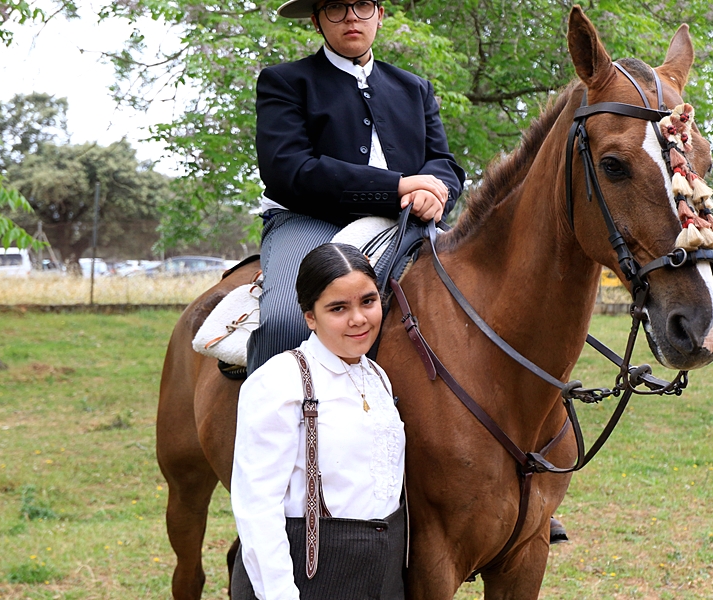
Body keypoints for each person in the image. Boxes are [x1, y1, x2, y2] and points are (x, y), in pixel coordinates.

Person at [245, 0, 465, 376]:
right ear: (316, 21)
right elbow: (289, 170)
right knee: (286, 320)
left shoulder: (415, 88)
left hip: (407, 224)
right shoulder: (284, 82)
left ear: (379, 15)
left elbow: (443, 162)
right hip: (308, 221)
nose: (350, 16)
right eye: (335, 7)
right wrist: (398, 186)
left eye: (362, 5)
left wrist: (435, 191)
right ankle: (272, 429)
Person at [231, 243, 405, 600]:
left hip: (382, 577)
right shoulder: (279, 382)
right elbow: (257, 506)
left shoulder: (378, 377)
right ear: (310, 316)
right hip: (311, 578)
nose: (358, 319)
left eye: (368, 302)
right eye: (338, 308)